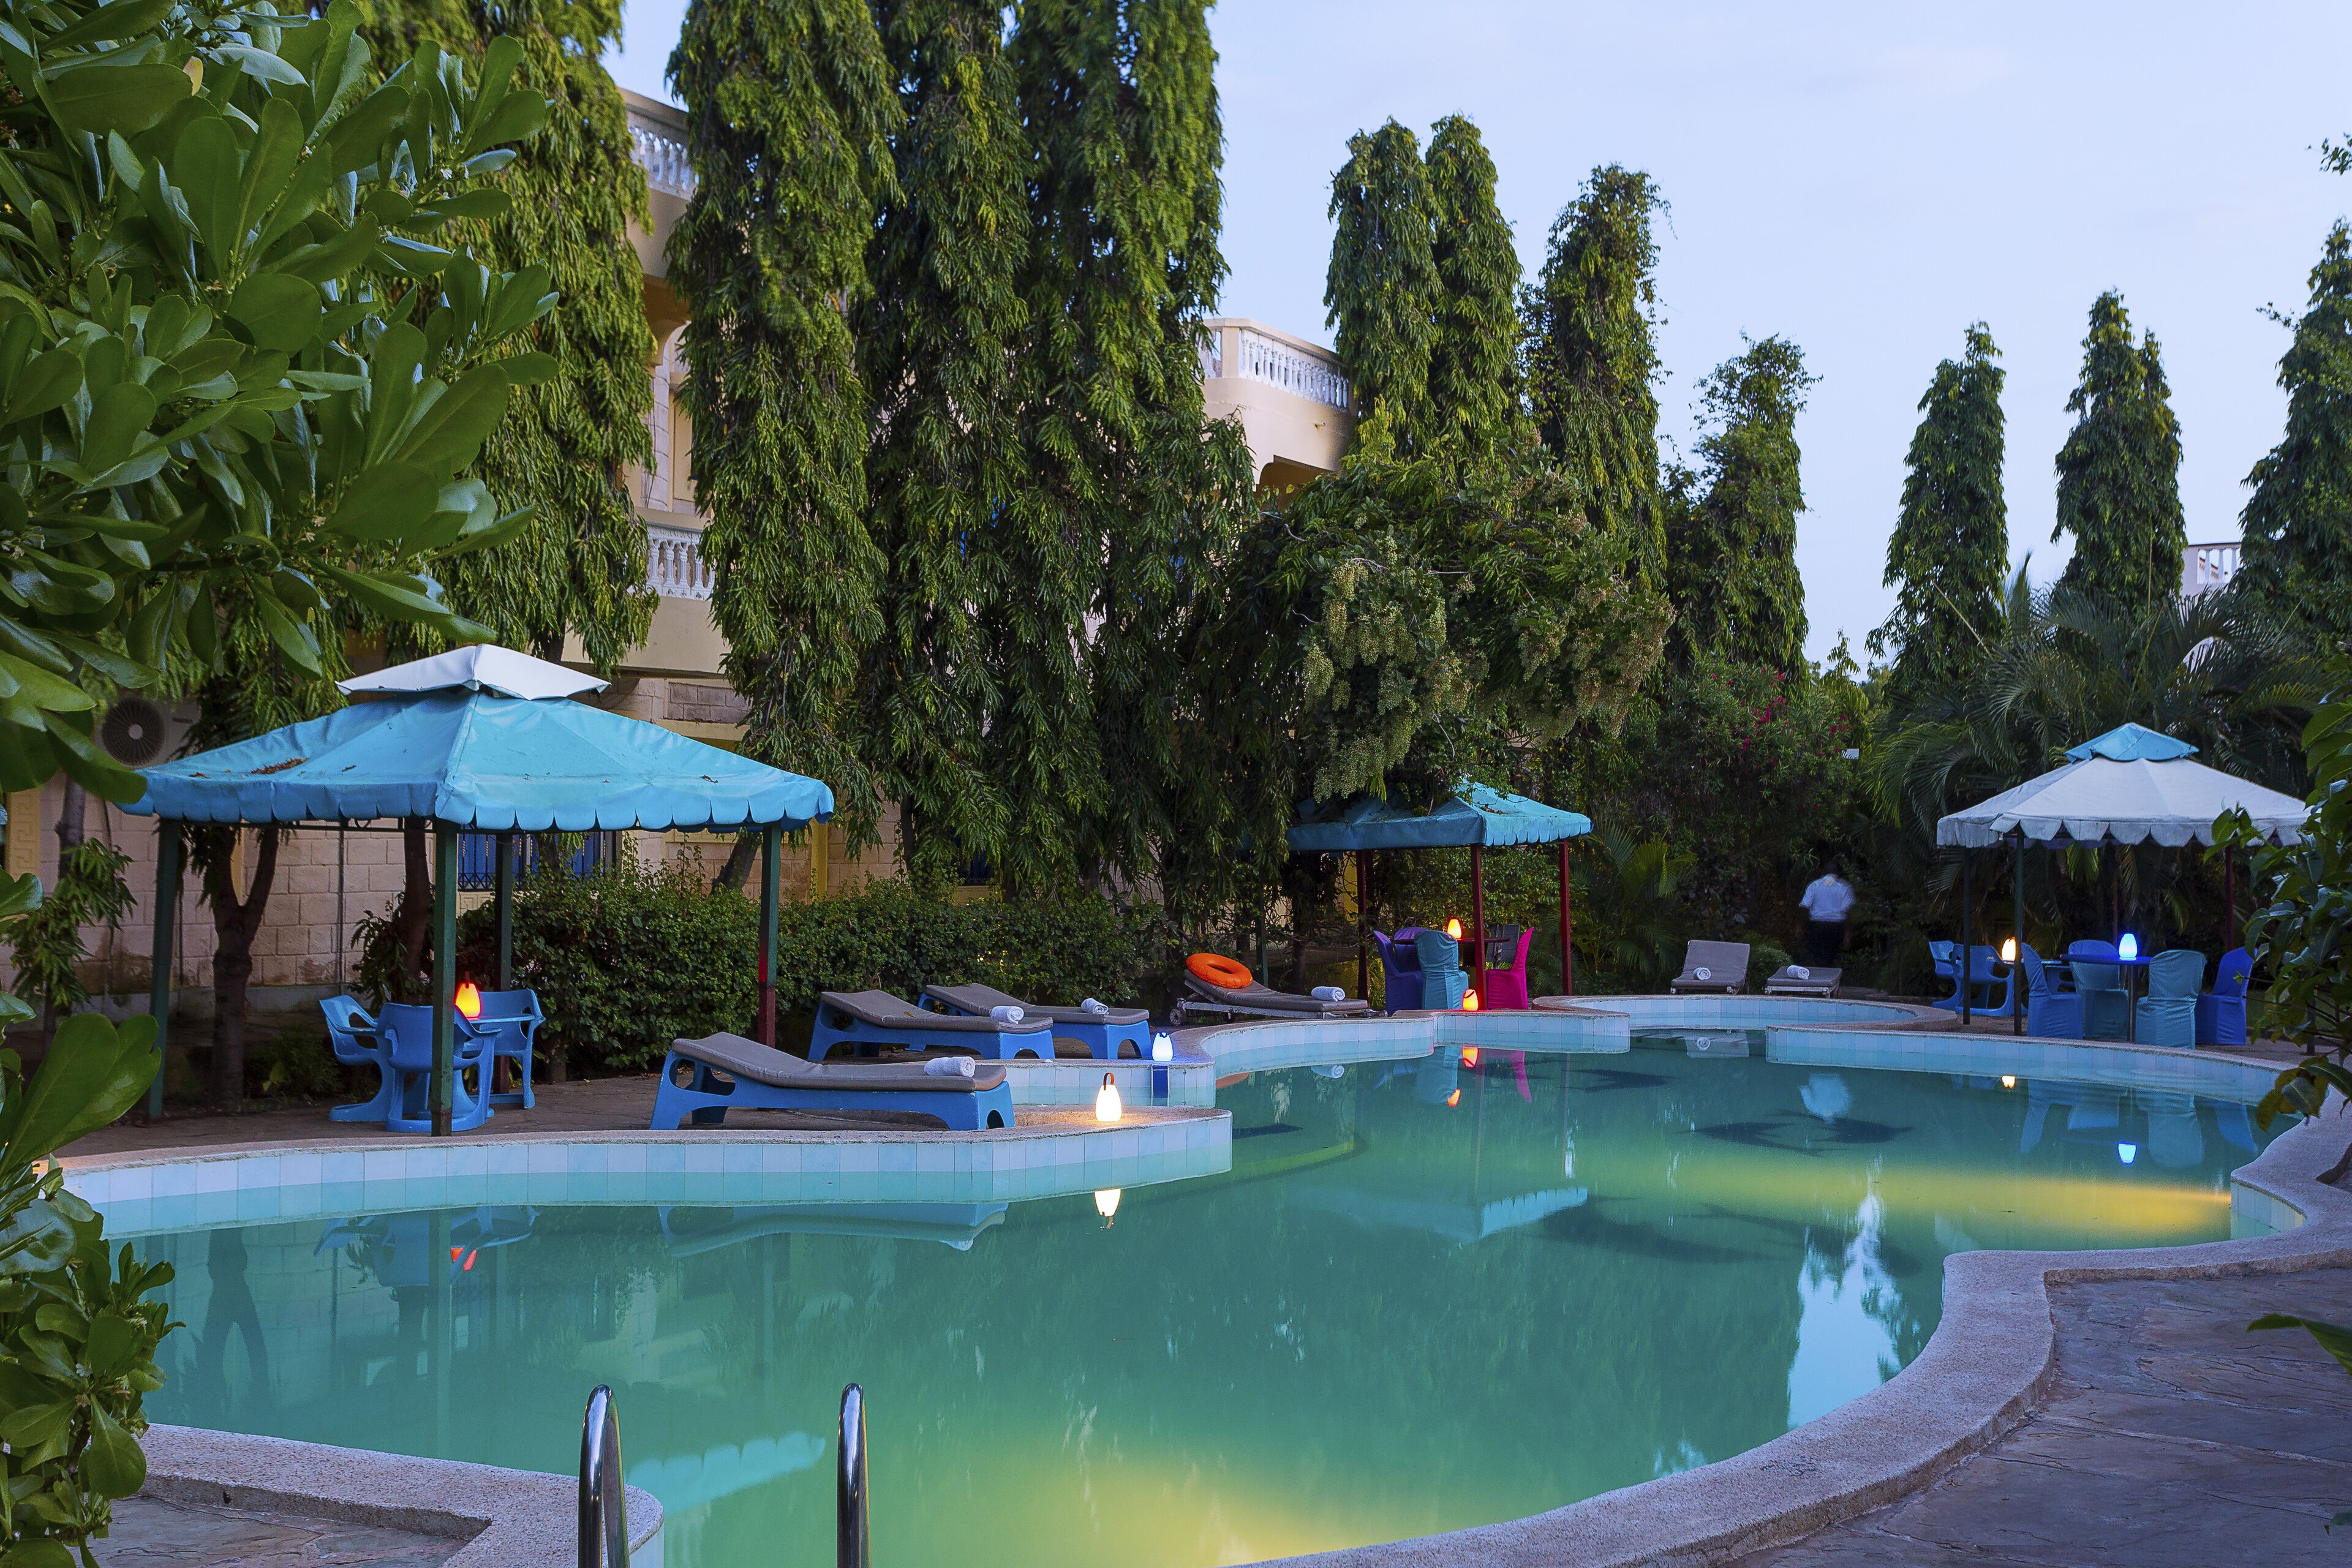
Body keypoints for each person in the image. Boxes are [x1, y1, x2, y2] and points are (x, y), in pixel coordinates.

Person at [1798, 861, 1855, 968]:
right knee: (1831, 956)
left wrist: (1801, 926)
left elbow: (1805, 906)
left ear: (1823, 873)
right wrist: (1848, 933)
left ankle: (1820, 978)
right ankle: (1829, 978)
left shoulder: (1814, 885)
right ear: (1838, 874)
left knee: (1818, 955)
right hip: (1836, 927)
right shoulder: (1844, 887)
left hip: (1817, 926)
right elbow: (1847, 911)